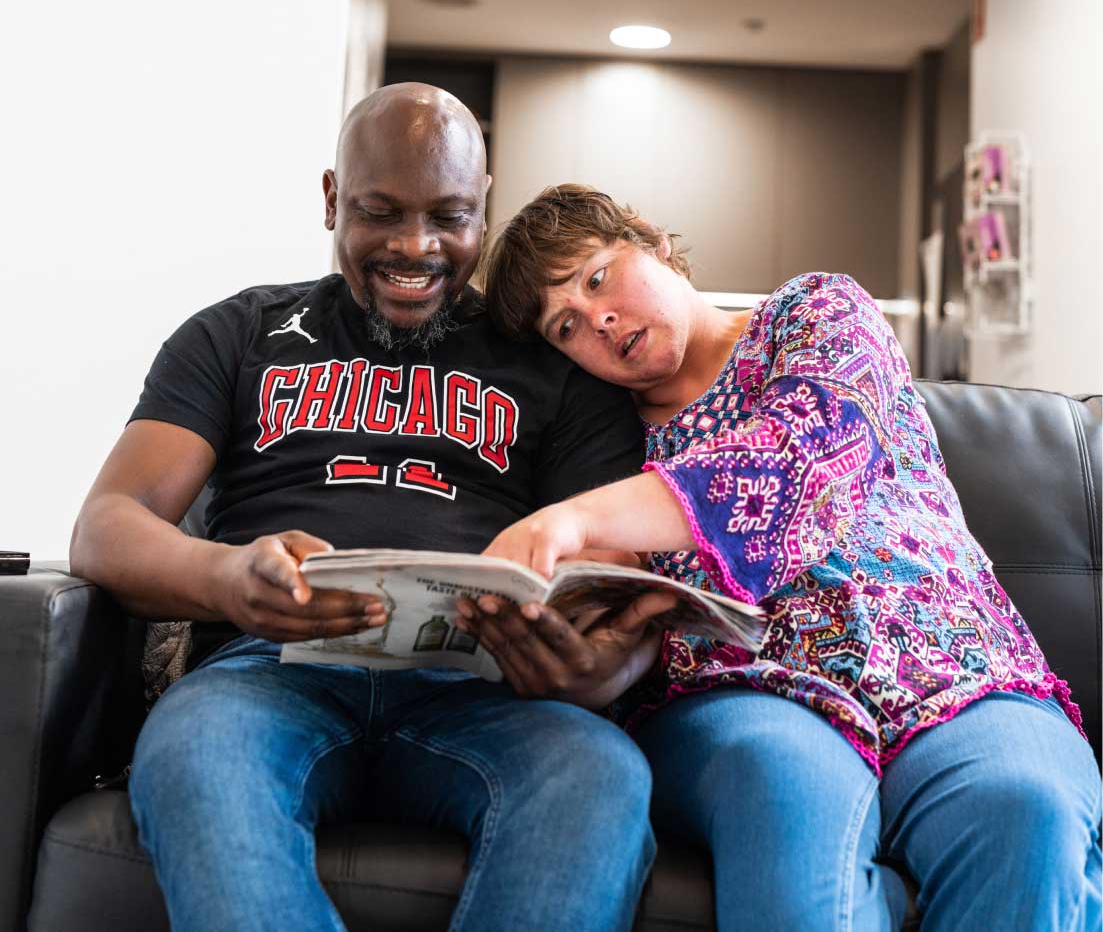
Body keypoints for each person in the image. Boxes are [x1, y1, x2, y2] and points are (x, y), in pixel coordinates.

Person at [69, 98, 659, 932]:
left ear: (482, 205)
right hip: (269, 670)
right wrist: (229, 576)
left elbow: (618, 572)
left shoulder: (555, 360)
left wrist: (591, 665)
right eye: (379, 212)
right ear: (330, 198)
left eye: (448, 217)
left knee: (599, 774)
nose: (414, 247)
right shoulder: (238, 334)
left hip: (486, 691)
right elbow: (105, 525)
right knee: (195, 751)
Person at [466, 183, 1102, 932]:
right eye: (565, 325)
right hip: (747, 692)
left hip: (953, 666)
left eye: (597, 277)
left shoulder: (815, 312)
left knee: (1024, 808)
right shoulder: (601, 445)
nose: (598, 320)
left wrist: (570, 520)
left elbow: (800, 463)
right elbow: (612, 620)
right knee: (784, 797)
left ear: (648, 238)